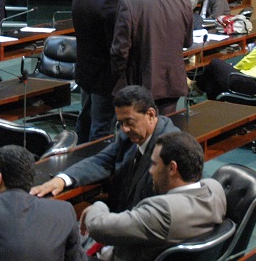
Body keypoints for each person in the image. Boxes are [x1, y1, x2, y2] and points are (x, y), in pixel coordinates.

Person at [80, 131, 227, 261]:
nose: (150, 170)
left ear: (172, 168)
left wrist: (98, 206)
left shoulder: (164, 211)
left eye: (154, 164)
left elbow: (98, 227)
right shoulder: (215, 190)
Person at [31, 86, 179, 213]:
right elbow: (103, 160)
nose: (125, 129)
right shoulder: (129, 136)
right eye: (121, 123)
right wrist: (63, 179)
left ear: (150, 114)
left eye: (129, 122)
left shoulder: (170, 148)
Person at [111, 0, 193, 115]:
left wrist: (119, 81)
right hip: (172, 83)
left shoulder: (130, 3)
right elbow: (187, 42)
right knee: (166, 126)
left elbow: (120, 51)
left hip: (140, 85)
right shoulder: (183, 1)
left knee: (139, 128)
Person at [72, 0, 123, 143]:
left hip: (86, 72)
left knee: (85, 122)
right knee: (102, 130)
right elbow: (115, 43)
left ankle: (80, 157)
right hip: (103, 77)